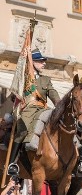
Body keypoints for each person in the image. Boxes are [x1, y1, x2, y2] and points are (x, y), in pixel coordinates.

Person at [6, 49, 62, 177]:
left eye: (43, 62)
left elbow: (52, 92)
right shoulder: (24, 79)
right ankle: (12, 163)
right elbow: (14, 95)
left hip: (42, 109)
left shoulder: (46, 79)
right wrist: (17, 97)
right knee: (22, 130)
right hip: (27, 109)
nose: (44, 64)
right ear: (33, 63)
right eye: (41, 61)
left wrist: (58, 103)